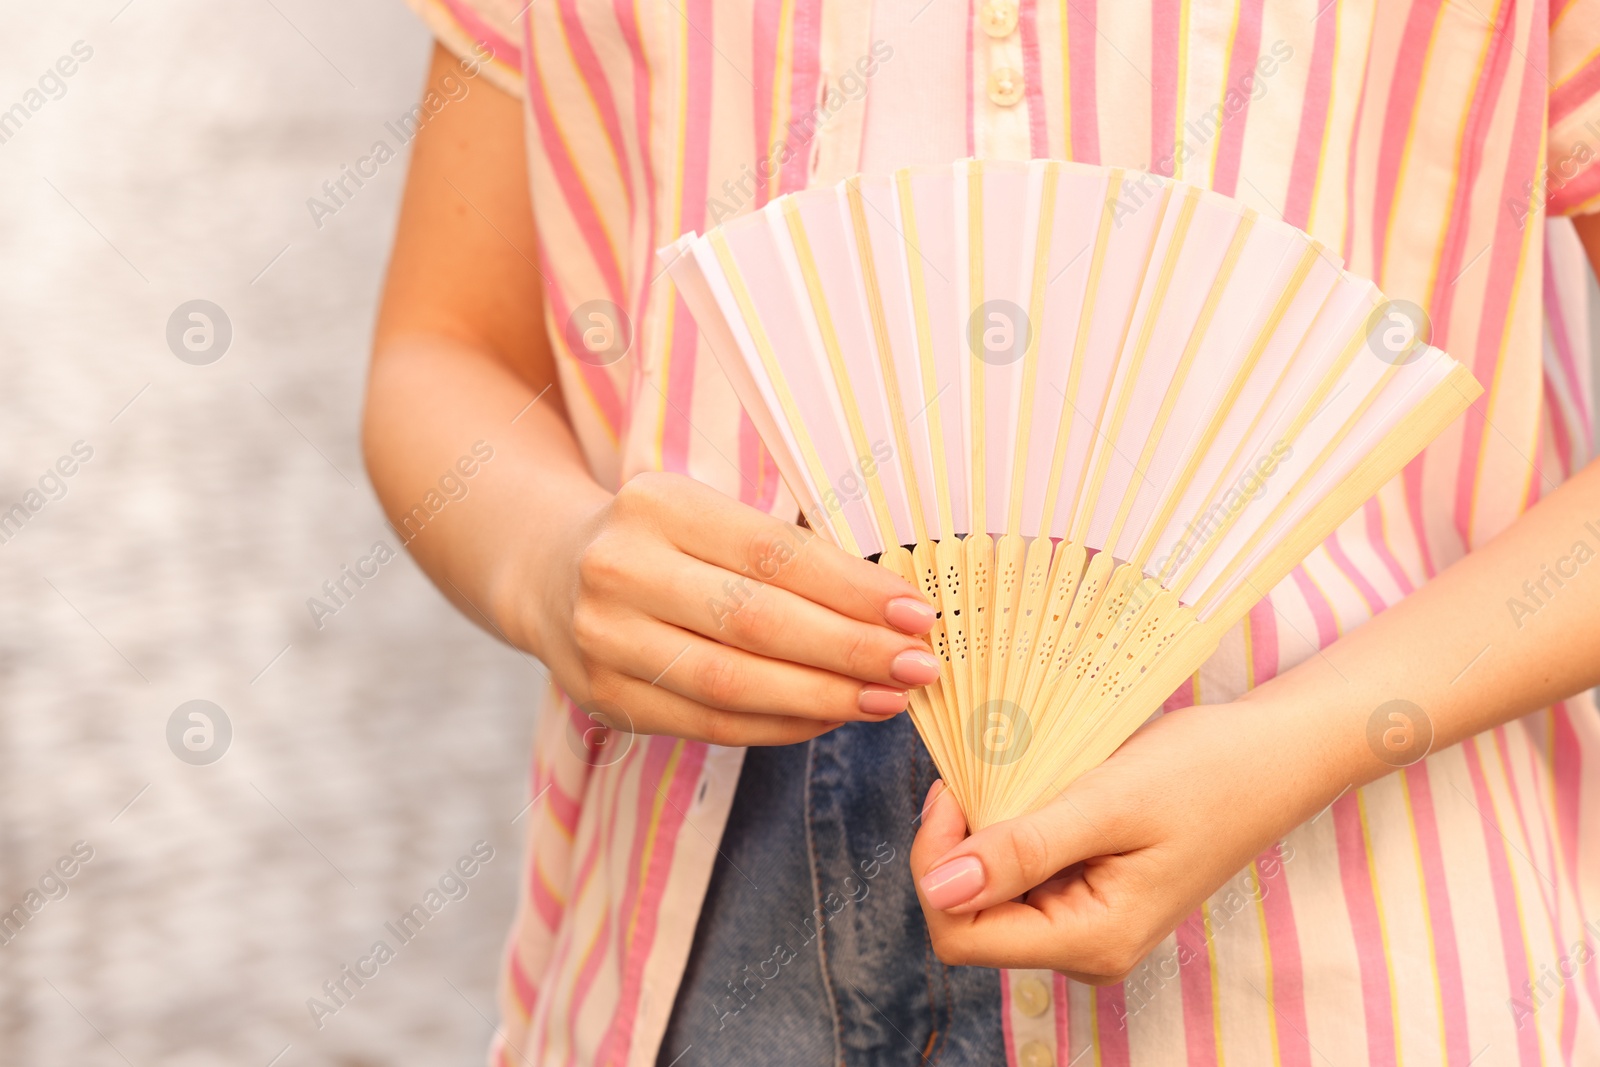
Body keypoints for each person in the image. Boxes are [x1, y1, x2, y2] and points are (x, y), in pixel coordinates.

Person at [364, 1, 1600, 1063]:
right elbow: (445, 345)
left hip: (1349, 918)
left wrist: (1305, 738)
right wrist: (552, 562)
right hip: (714, 904)